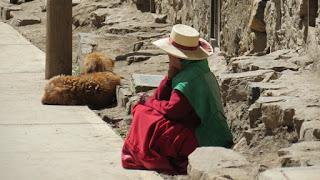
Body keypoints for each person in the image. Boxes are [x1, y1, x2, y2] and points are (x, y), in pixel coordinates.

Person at [121, 24, 233, 175]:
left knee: (144, 114)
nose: (169, 57)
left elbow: (172, 111)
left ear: (178, 56)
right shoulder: (194, 69)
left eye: (170, 54)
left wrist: (148, 101)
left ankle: (141, 153)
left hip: (203, 139)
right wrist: (169, 77)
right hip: (202, 132)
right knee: (145, 111)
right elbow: (160, 98)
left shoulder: (189, 79)